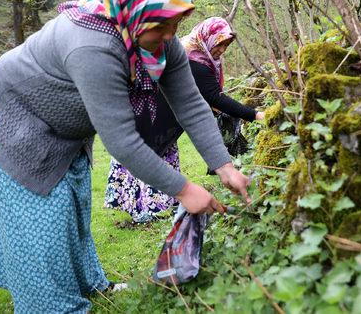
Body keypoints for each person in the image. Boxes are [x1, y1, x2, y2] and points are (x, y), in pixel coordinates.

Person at [0, 0, 250, 313]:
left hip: (67, 125)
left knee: (72, 205)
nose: (170, 35)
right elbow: (121, 140)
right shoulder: (94, 47)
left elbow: (192, 104)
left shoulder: (156, 41)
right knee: (39, 217)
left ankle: (89, 283)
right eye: (161, 26)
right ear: (135, 14)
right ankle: (51, 305)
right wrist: (184, 189)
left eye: (176, 25)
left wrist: (224, 166)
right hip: (20, 112)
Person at [104, 17, 265, 223]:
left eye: (226, 45)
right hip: (153, 118)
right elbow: (214, 97)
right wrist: (255, 115)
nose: (222, 50)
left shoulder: (198, 58)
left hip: (165, 119)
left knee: (161, 157)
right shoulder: (194, 62)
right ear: (207, 38)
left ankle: (157, 206)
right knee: (147, 156)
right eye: (219, 44)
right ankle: (147, 209)